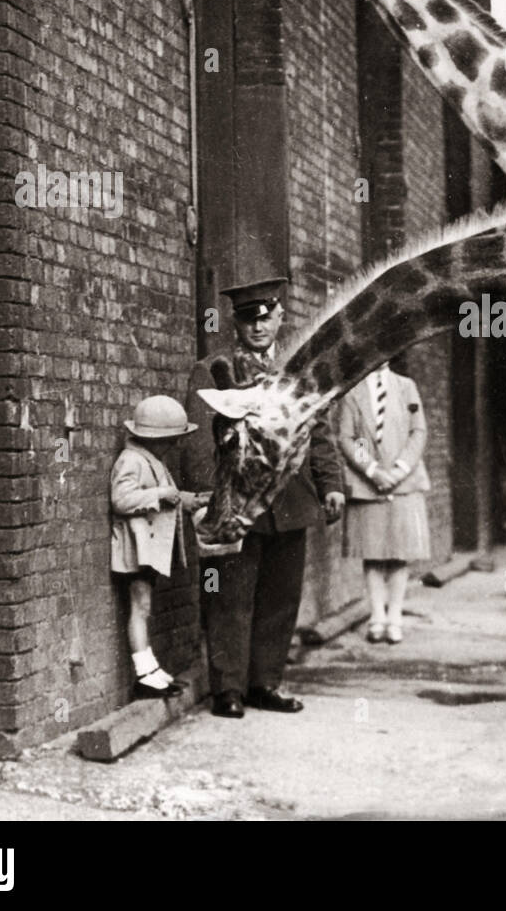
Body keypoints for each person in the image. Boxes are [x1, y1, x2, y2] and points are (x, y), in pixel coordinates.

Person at [182, 276, 345, 718]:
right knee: (230, 596)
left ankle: (265, 683)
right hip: (238, 503)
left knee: (280, 596)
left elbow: (319, 431)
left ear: (279, 317)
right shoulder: (215, 370)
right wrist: (211, 500)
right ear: (235, 324)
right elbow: (198, 439)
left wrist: (331, 484)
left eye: (265, 318)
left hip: (291, 499)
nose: (257, 328)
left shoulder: (298, 371)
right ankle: (228, 689)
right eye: (247, 321)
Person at [110, 395, 210, 700]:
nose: (175, 446)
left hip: (146, 548)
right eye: (171, 440)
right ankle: (143, 673)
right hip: (135, 549)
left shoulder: (149, 459)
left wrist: (187, 498)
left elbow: (164, 493)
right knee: (140, 608)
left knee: (144, 607)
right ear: (156, 438)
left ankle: (151, 669)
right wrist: (164, 493)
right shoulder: (131, 460)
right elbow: (121, 499)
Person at [337, 361, 431, 644]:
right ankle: (377, 616)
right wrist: (373, 472)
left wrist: (400, 469)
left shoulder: (406, 387)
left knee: (399, 553)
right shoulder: (352, 392)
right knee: (373, 552)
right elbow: (347, 437)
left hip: (405, 481)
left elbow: (418, 431)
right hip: (368, 484)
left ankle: (395, 617)